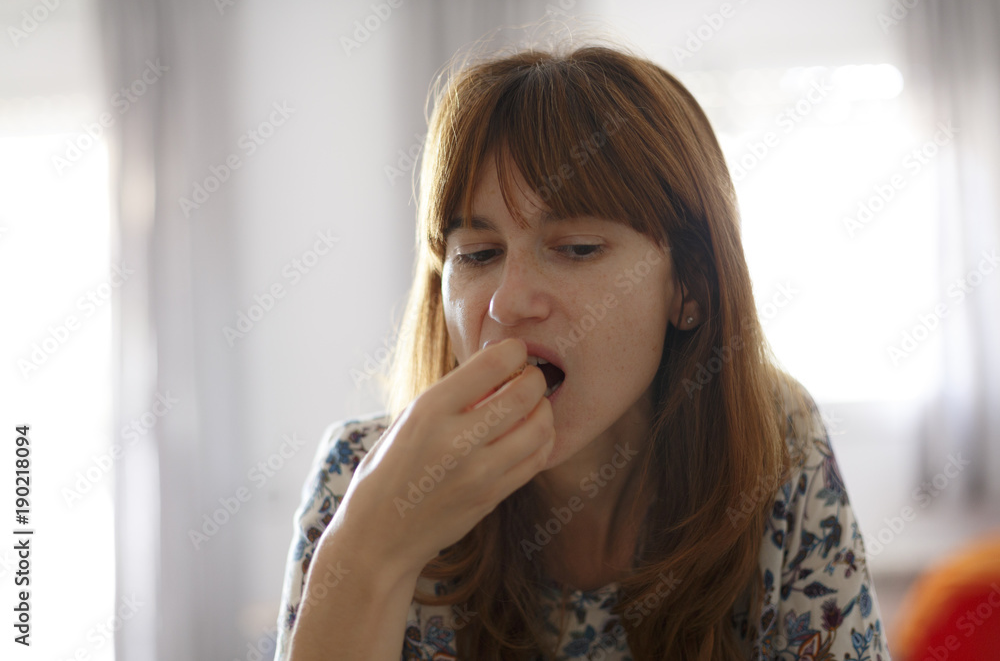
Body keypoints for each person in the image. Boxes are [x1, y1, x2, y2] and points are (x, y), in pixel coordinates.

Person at [274, 39, 892, 661]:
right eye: (479, 254)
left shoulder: (776, 449)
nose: (508, 302)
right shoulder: (359, 477)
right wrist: (371, 552)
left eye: (577, 248)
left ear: (691, 287)